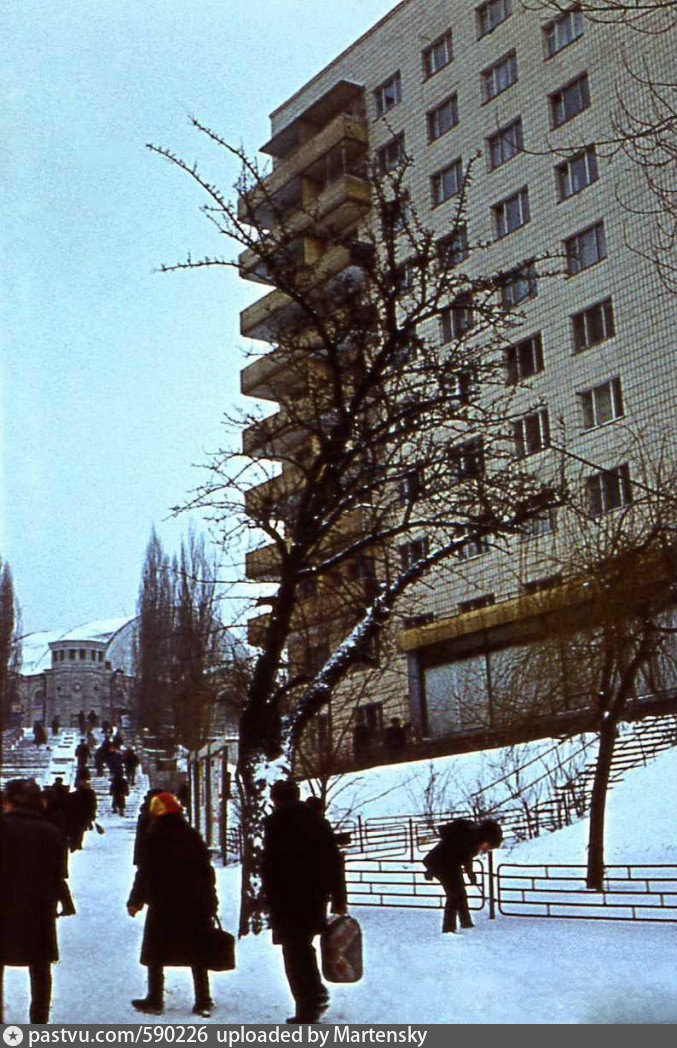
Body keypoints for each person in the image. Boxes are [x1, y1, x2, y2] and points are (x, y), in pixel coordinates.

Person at [262, 780, 347, 1024]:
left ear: (275, 799)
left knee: (295, 954)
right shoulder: (317, 821)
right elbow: (333, 862)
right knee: (303, 949)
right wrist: (339, 899)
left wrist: (268, 899)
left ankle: (308, 1006)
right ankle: (314, 997)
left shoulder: (275, 823)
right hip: (314, 898)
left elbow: (271, 866)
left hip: (286, 900)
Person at [127, 792, 218, 1017]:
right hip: (193, 902)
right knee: (196, 951)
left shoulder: (155, 835)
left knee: (156, 953)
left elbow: (146, 872)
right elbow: (206, 872)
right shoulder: (192, 835)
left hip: (164, 902)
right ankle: (203, 999)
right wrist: (210, 900)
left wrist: (136, 900)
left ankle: (155, 999)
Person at [0, 778, 76, 1025]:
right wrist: (64, 901)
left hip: (3, 907)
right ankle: (39, 1021)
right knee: (41, 968)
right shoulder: (52, 832)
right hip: (39, 909)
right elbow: (58, 874)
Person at [423, 818, 503, 933]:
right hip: (442, 864)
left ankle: (466, 922)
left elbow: (466, 858)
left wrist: (471, 875)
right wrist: (432, 870)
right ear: (486, 839)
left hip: (451, 864)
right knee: (454, 895)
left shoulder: (473, 840)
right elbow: (447, 853)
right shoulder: (469, 839)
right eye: (489, 845)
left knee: (460, 892)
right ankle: (448, 928)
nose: (487, 849)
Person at [66, 779, 98, 851]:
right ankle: (78, 844)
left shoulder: (73, 795)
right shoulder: (90, 794)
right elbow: (93, 805)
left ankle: (75, 843)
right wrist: (92, 815)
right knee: (80, 831)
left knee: (75, 831)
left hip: (75, 816)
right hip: (84, 816)